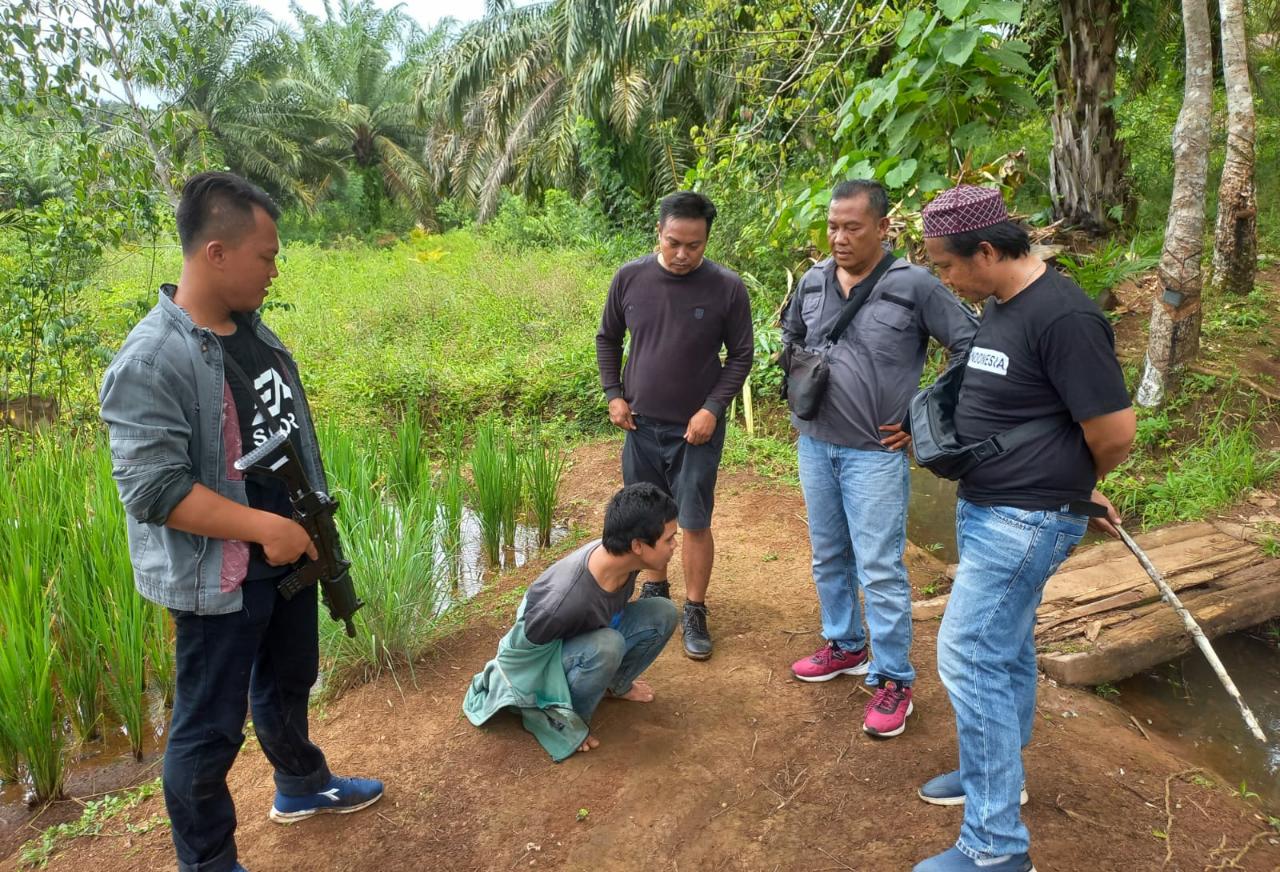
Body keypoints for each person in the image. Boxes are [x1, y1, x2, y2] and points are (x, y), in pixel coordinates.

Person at [99, 172, 383, 872]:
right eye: (266, 255)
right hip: (221, 572)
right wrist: (263, 530)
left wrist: (303, 528)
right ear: (216, 252)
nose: (275, 269)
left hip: (289, 553)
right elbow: (152, 488)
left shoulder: (251, 330)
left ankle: (301, 785)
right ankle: (209, 863)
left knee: (290, 676)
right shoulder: (151, 358)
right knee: (208, 731)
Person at [912, 185, 1136, 872]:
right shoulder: (1000, 302)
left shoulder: (1065, 316)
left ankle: (995, 850)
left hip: (1024, 518)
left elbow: (1114, 431)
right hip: (993, 508)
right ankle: (996, 776)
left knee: (967, 655)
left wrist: (1071, 488)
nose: (943, 279)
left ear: (986, 250)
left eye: (946, 265)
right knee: (1003, 651)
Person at [780, 179, 978, 738]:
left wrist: (927, 420)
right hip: (815, 443)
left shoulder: (913, 286)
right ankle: (844, 644)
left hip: (875, 453)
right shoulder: (814, 280)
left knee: (881, 568)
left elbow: (970, 344)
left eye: (853, 227)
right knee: (827, 554)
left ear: (884, 228)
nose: (839, 238)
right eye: (832, 226)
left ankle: (894, 679)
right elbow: (792, 337)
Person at [595, 191, 754, 660]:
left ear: (706, 241)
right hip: (640, 426)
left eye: (695, 245)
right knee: (647, 516)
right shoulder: (630, 278)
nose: (683, 254)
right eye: (673, 243)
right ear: (658, 234)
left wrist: (712, 408)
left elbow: (741, 355)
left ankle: (696, 609)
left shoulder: (726, 287)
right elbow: (608, 338)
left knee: (694, 519)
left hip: (696, 431)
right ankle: (656, 589)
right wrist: (614, 394)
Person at [464, 483, 681, 758]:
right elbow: (513, 659)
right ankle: (567, 722)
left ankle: (613, 686)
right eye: (669, 539)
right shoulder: (562, 601)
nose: (674, 545)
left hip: (582, 638)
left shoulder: (626, 560)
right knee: (607, 645)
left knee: (662, 613)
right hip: (543, 656)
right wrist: (526, 700)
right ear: (637, 545)